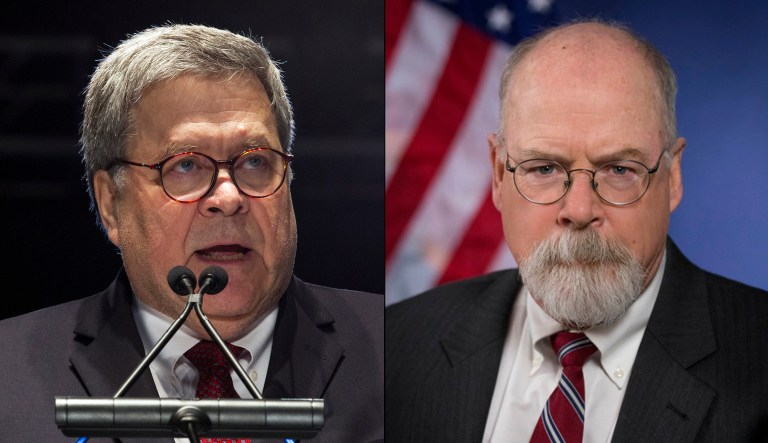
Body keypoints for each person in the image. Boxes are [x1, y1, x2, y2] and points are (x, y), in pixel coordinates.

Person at [386, 20, 768, 442]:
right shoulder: (396, 345)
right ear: (498, 175)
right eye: (543, 169)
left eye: (619, 170)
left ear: (673, 177)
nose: (580, 210)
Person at [0, 24, 383, 442]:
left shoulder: (395, 347)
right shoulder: (8, 376)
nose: (228, 197)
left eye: (255, 161)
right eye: (185, 165)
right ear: (111, 204)